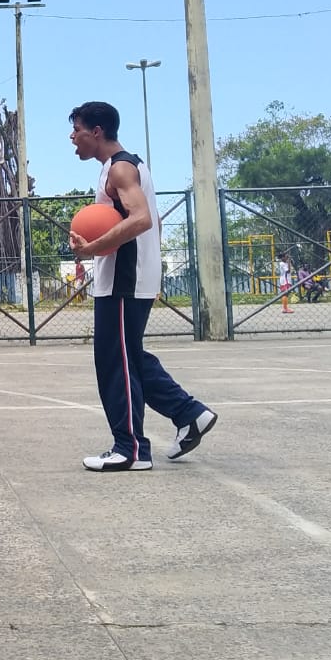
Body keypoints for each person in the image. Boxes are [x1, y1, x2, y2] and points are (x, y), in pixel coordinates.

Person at [67, 101, 217, 472]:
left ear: (97, 132)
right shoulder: (124, 166)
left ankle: (130, 448)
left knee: (114, 361)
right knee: (128, 356)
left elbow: (142, 219)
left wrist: (91, 249)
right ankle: (188, 412)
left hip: (124, 279)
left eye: (78, 130)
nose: (73, 137)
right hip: (132, 277)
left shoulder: (119, 168)